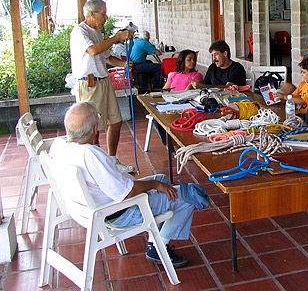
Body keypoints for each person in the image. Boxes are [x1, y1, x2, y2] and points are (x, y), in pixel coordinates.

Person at [50, 102, 204, 268]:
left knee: (163, 180)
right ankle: (160, 248)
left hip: (92, 208)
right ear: (95, 128)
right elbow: (127, 192)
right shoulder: (90, 155)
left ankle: (155, 240)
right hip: (121, 212)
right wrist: (155, 185)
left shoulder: (59, 146)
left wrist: (157, 183)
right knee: (191, 195)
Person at [70, 0, 133, 173]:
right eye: (103, 14)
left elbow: (106, 57)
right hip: (89, 84)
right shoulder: (79, 32)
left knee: (116, 121)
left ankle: (112, 161)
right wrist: (117, 37)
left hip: (104, 81)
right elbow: (93, 51)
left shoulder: (97, 32)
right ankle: (95, 168)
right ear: (92, 14)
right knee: (92, 128)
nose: (106, 17)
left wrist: (124, 64)